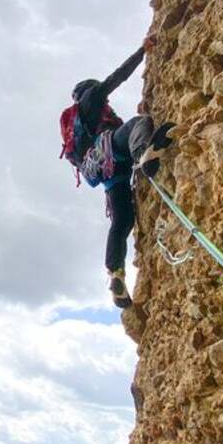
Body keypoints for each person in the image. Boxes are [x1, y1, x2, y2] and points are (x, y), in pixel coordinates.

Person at [59, 36, 174, 308]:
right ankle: (143, 153)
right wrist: (141, 51)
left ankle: (115, 273)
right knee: (139, 123)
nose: (105, 97)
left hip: (105, 171)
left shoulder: (74, 129)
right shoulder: (91, 99)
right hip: (112, 151)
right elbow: (116, 77)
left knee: (122, 220)